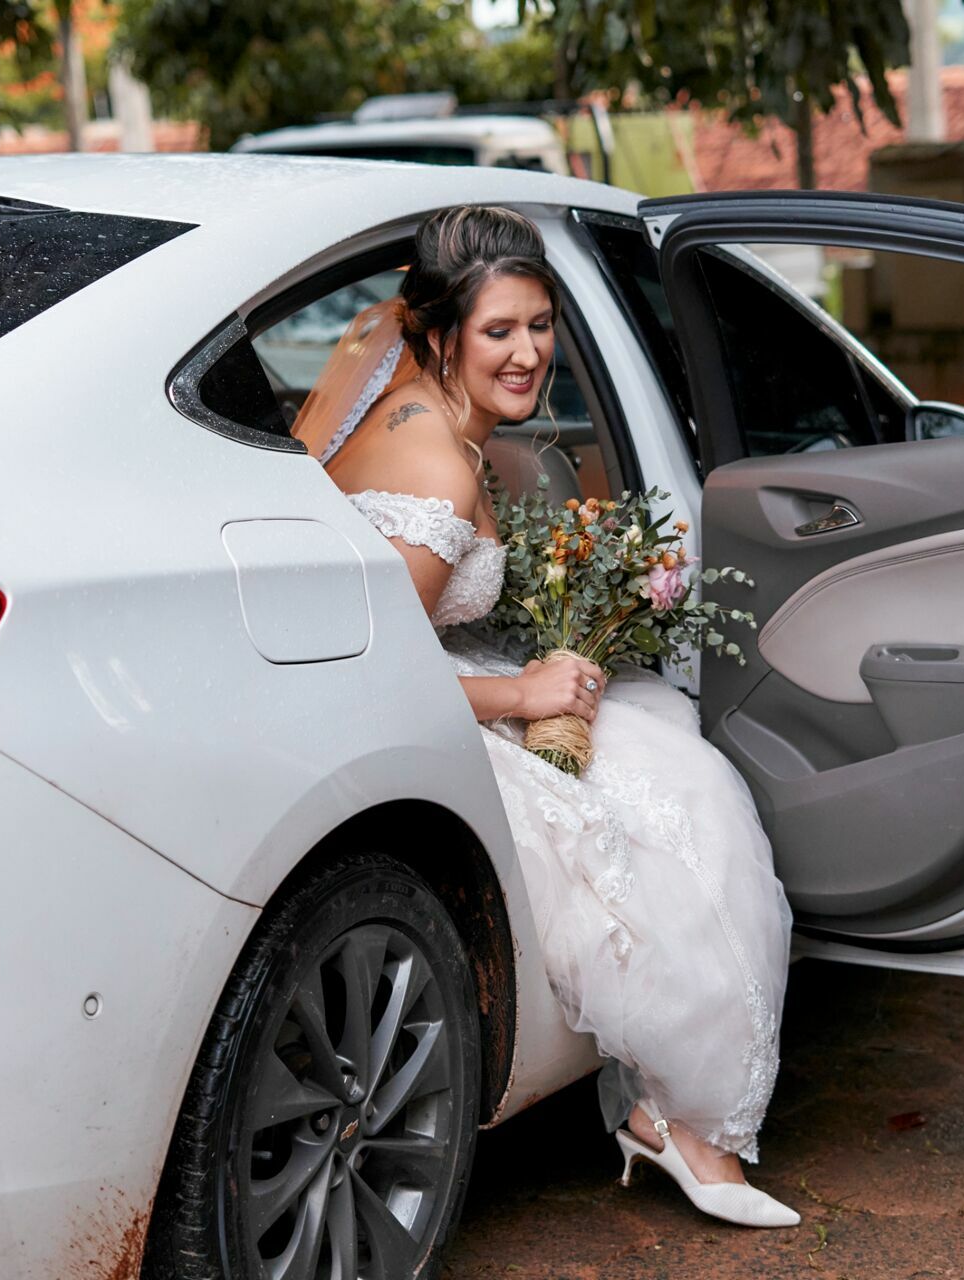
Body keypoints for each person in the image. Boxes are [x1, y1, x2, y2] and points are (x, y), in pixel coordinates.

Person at [296, 206, 798, 1229]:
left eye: (539, 324)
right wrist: (525, 694)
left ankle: (672, 1122)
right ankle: (682, 1123)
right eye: (499, 331)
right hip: (412, 711)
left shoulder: (421, 414)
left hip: (447, 678)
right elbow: (370, 675)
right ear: (441, 335)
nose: (528, 353)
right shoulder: (436, 466)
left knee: (671, 770)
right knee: (679, 810)